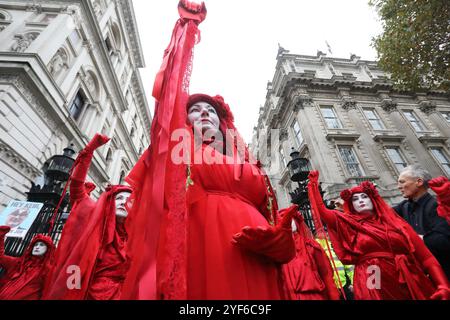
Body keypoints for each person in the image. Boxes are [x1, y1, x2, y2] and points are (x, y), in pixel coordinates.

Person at [308, 170, 449, 300]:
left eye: (364, 196)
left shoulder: (396, 223)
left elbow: (426, 257)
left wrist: (442, 285)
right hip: (372, 272)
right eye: (355, 199)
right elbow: (322, 211)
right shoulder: (350, 225)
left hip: (409, 277)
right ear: (351, 206)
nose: (361, 200)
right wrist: (313, 185)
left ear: (372, 199)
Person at [42, 134, 133, 300]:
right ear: (109, 202)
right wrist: (90, 149)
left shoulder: (135, 237)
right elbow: (76, 185)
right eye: (119, 198)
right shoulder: (94, 215)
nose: (123, 203)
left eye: (129, 201)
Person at [394, 165, 450, 279]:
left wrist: (414, 238)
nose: (398, 186)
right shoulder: (404, 207)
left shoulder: (436, 206)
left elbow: (443, 241)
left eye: (402, 182)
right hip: (422, 276)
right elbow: (382, 214)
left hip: (444, 272)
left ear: (419, 182)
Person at [283, 211, 340, 300]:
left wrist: (333, 295)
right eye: (282, 218)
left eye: (290, 218)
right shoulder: (276, 252)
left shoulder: (312, 246)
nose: (287, 221)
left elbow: (326, 273)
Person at [0, 226, 55, 300]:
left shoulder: (47, 270)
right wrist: (1, 236)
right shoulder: (19, 263)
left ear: (48, 249)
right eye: (36, 244)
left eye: (41, 245)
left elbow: (48, 293)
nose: (37, 247)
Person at [315, 229, 355, 300]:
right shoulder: (316, 247)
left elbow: (349, 266)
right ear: (316, 234)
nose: (326, 233)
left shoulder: (335, 245)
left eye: (326, 231)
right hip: (328, 287)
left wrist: (353, 283)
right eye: (322, 231)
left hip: (343, 285)